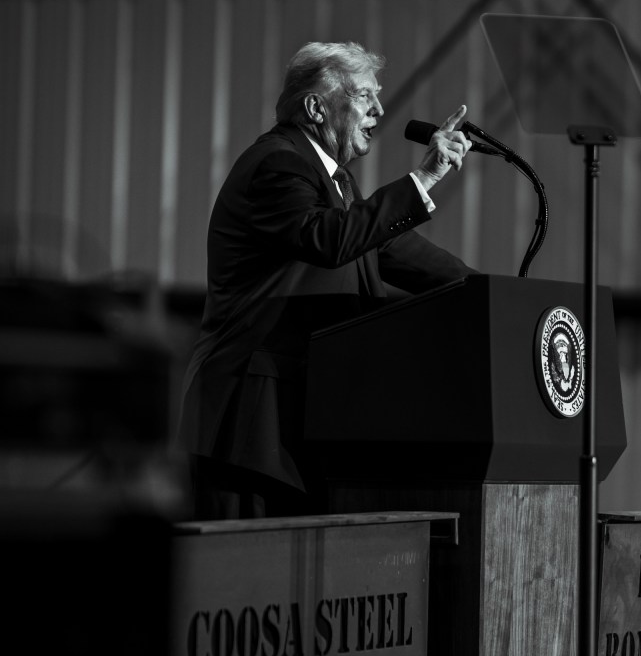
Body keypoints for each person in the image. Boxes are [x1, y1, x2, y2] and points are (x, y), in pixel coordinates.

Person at [177, 41, 478, 521]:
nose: (379, 109)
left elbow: (388, 247)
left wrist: (485, 293)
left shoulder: (335, 180)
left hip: (298, 425)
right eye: (364, 96)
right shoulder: (277, 163)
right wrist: (423, 178)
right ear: (316, 108)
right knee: (245, 567)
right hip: (251, 425)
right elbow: (328, 238)